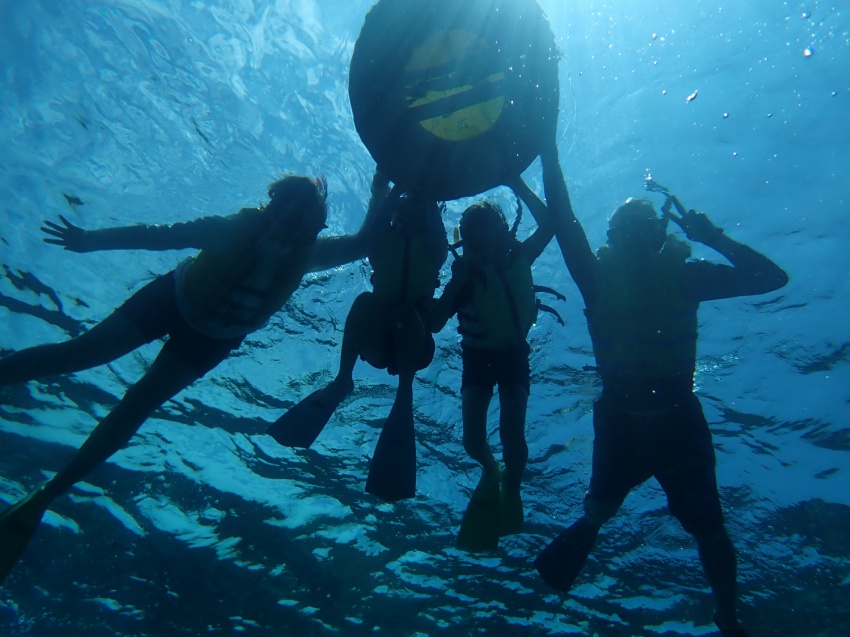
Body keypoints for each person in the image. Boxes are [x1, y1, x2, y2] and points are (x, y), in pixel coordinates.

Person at [0, 173, 387, 582]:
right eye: (285, 217)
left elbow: (363, 244)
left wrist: (383, 189)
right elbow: (159, 236)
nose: (287, 233)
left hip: (212, 337)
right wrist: (89, 240)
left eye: (301, 225)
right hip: (173, 298)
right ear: (271, 208)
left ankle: (51, 491)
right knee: (81, 355)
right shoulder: (235, 229)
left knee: (138, 404)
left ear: (312, 229)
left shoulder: (308, 253)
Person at [531, 136, 789, 636]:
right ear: (614, 238)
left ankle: (728, 616)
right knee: (620, 513)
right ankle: (725, 613)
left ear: (657, 235)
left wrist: (711, 235)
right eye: (623, 233)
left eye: (639, 231)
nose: (630, 242)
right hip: (641, 420)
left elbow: (772, 279)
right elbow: (562, 218)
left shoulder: (676, 277)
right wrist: (541, 160)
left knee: (706, 527)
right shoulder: (610, 277)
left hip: (667, 421)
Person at [267, 174, 449, 501]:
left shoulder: (435, 251)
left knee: (406, 314)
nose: (407, 221)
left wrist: (424, 194)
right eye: (403, 216)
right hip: (376, 339)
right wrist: (397, 189)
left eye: (415, 217)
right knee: (365, 300)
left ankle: (404, 392)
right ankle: (343, 378)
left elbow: (436, 230)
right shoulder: (382, 246)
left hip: (414, 343)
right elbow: (378, 226)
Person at [428, 183, 554, 551]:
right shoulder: (464, 278)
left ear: (503, 232)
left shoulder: (521, 258)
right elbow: (434, 323)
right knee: (472, 440)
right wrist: (456, 283)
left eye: (489, 229)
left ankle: (511, 485)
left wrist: (518, 183)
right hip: (477, 359)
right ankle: (490, 469)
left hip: (514, 354)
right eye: (473, 233)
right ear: (465, 239)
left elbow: (549, 224)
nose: (483, 238)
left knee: (513, 435)